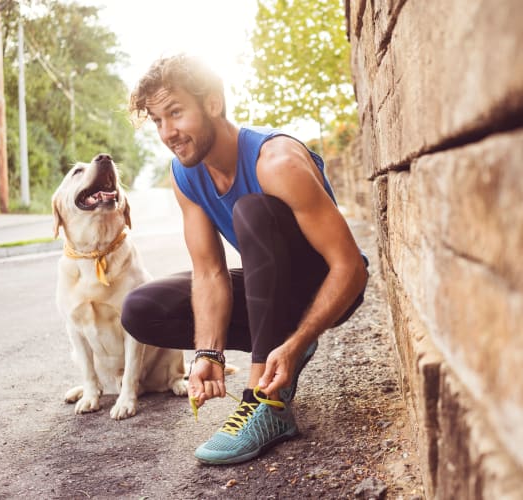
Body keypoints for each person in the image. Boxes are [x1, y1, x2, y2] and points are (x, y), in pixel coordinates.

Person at [121, 53, 369, 465]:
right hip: (270, 286)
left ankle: (265, 403)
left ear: (212, 103)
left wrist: (298, 341)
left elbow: (352, 269)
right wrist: (208, 353)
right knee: (141, 309)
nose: (167, 132)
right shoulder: (185, 173)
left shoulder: (276, 161)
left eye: (175, 113)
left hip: (325, 286)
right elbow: (209, 272)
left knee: (251, 211)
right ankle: (275, 349)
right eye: (157, 120)